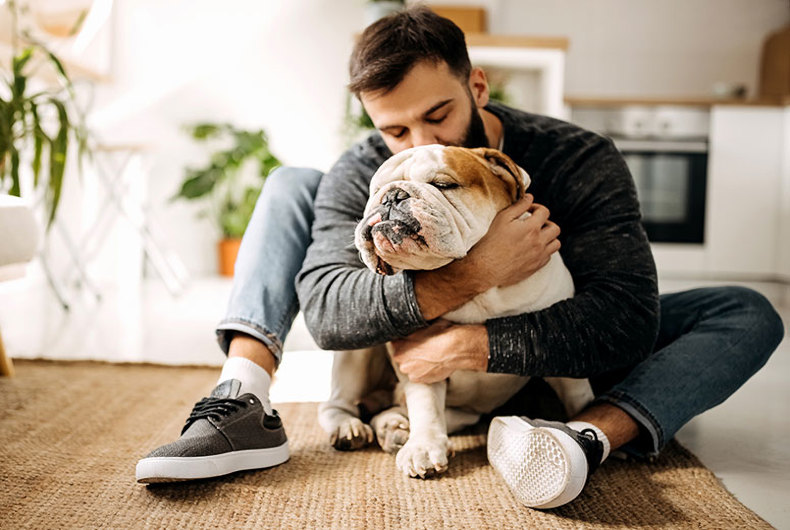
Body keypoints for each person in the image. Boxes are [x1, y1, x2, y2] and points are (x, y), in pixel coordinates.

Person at [136, 6, 784, 509]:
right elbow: (330, 315)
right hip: (439, 374)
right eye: (395, 131)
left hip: (564, 357)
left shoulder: (578, 157)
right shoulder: (365, 170)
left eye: (438, 115)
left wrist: (471, 347)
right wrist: (476, 273)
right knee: (290, 183)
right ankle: (241, 397)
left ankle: (583, 437)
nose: (418, 141)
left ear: (477, 85)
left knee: (747, 311)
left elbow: (625, 320)